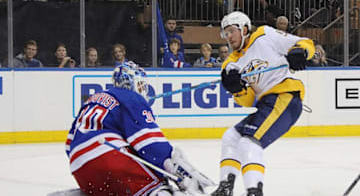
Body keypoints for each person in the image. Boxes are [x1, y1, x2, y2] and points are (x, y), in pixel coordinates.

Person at [65, 62, 214, 196]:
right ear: (129, 83)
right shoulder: (131, 97)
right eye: (141, 85)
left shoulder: (93, 99)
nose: (143, 90)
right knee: (157, 187)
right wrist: (176, 170)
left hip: (79, 168)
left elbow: (68, 144)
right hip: (108, 158)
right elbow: (150, 143)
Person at [211, 11, 316, 196]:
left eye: (231, 31)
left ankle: (254, 192)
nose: (228, 37)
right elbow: (248, 100)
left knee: (248, 143)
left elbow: (305, 42)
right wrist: (236, 89)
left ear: (244, 29)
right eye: (225, 33)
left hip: (286, 96)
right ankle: (225, 187)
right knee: (231, 137)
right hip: (265, 104)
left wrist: (301, 52)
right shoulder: (230, 64)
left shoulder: (264, 35)